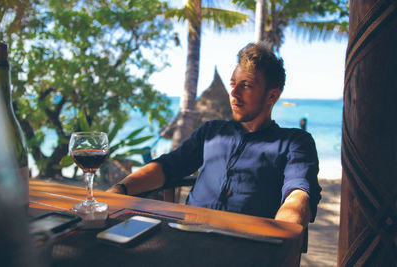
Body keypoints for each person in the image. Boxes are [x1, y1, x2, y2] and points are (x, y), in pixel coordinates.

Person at [107, 42, 322, 227]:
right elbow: (168, 166)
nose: (234, 94)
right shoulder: (211, 132)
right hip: (187, 235)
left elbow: (297, 194)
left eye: (245, 85)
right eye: (233, 84)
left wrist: (281, 239)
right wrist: (119, 189)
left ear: (271, 95)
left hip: (243, 245)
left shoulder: (294, 142)